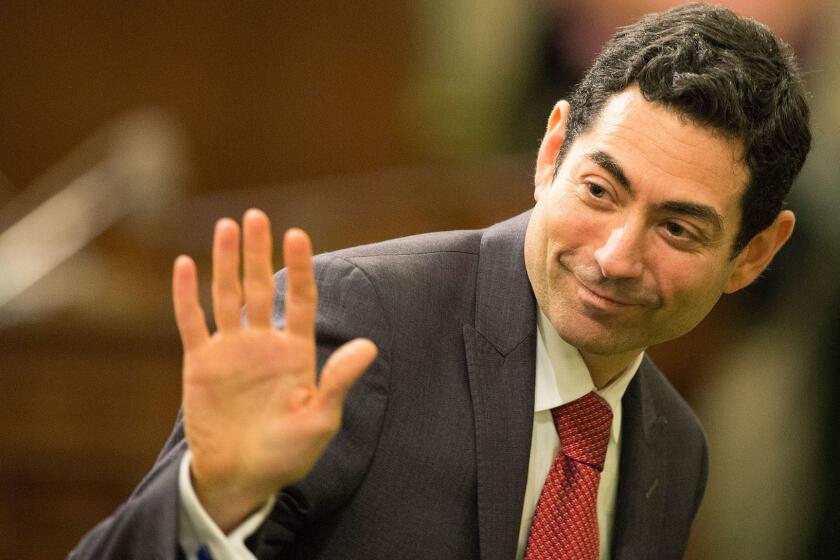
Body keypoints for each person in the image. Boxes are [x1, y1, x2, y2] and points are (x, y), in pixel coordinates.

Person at [70, 3, 811, 559]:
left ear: (753, 255)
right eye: (599, 191)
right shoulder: (361, 322)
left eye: (678, 229)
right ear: (552, 151)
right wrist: (213, 502)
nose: (616, 256)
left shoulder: (677, 449)